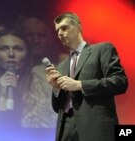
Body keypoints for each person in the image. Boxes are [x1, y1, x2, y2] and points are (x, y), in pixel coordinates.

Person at [45, 12, 128, 141]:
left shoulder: (102, 49)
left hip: (95, 127)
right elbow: (58, 108)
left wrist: (80, 85)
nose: (60, 33)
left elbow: (120, 81)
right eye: (57, 31)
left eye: (64, 28)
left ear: (78, 26)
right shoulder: (61, 66)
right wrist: (56, 89)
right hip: (66, 129)